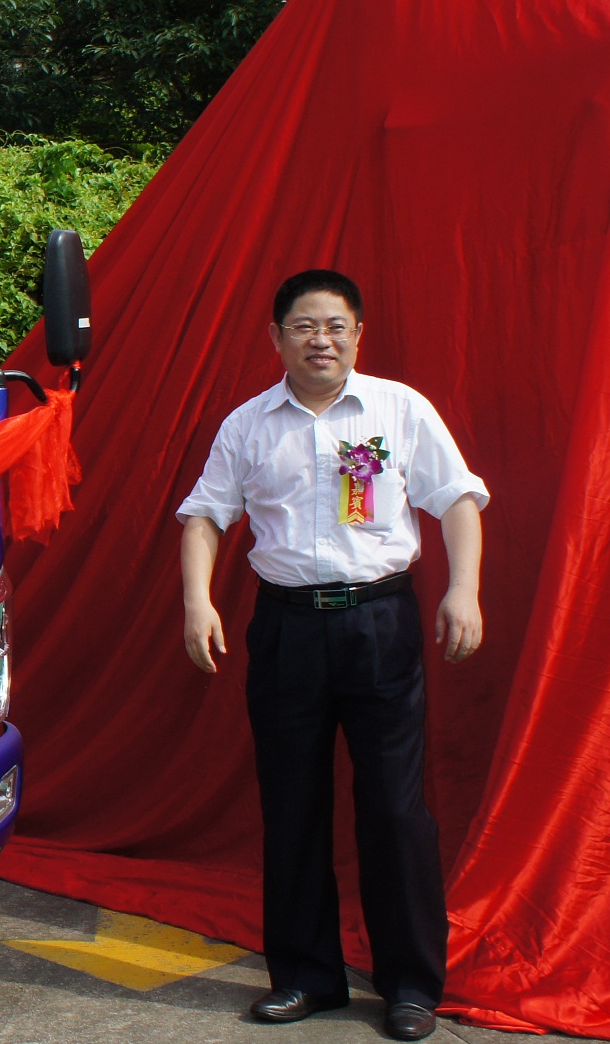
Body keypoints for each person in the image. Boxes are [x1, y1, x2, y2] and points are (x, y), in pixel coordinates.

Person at [178, 270, 486, 1042]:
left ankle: (411, 985)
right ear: (277, 337)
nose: (323, 340)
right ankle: (306, 978)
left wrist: (464, 591)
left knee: (395, 807)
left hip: (380, 622)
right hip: (286, 630)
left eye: (337, 326)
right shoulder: (249, 424)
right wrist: (197, 600)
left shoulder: (399, 410)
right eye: (305, 326)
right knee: (293, 804)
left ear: (359, 334)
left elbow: (457, 501)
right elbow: (205, 517)